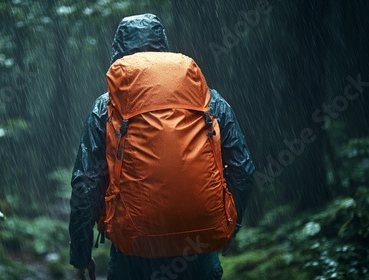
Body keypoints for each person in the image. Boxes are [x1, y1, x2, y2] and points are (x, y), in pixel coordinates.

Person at [69, 13, 255, 280]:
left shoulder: (107, 107)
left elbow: (86, 183)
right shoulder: (208, 101)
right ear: (163, 48)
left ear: (119, 53)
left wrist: (81, 254)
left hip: (133, 252)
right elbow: (243, 170)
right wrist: (229, 228)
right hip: (198, 246)